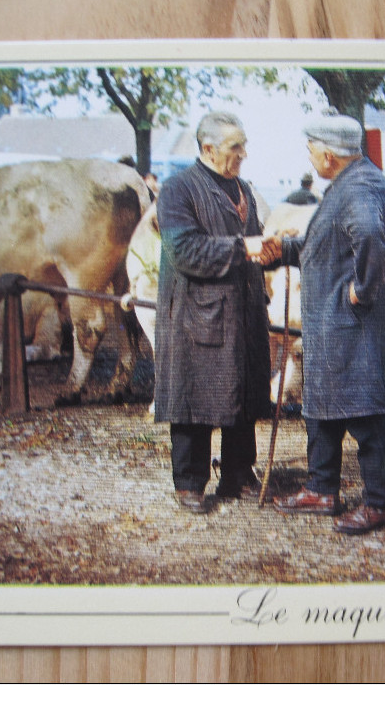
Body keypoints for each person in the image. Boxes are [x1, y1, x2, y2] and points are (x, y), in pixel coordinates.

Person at [270, 113, 385, 535]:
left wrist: (363, 289)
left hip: (354, 324)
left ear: (327, 154)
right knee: (322, 410)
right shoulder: (348, 184)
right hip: (332, 325)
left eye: (311, 150)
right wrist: (284, 250)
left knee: (366, 415)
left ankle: (379, 505)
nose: (310, 158)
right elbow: (330, 245)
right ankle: (321, 490)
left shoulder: (360, 186)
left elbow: (368, 237)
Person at [153, 111, 274, 514]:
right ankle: (189, 482)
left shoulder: (244, 189)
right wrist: (245, 249)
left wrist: (273, 250)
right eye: (235, 147)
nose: (243, 153)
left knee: (242, 391)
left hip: (243, 310)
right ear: (208, 148)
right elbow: (185, 252)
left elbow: (253, 243)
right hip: (196, 313)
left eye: (243, 144)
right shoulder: (176, 190)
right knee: (194, 396)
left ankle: (238, 474)